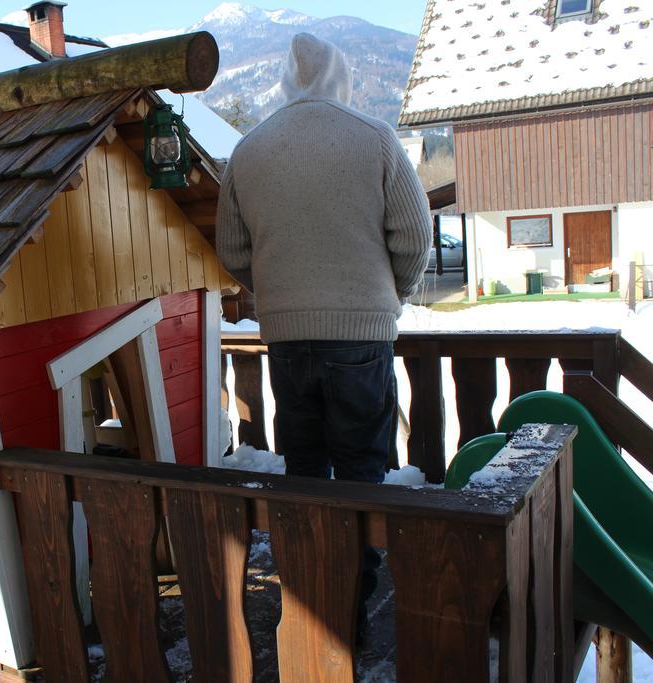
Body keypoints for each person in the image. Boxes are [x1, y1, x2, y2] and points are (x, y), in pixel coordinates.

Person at [216, 32, 431, 633]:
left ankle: (309, 598)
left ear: (286, 83)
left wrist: (281, 293)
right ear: (341, 79)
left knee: (305, 468)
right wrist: (389, 295)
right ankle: (354, 609)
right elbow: (414, 239)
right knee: (361, 470)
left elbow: (233, 250)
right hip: (361, 338)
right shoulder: (374, 138)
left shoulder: (250, 151)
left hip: (286, 338)